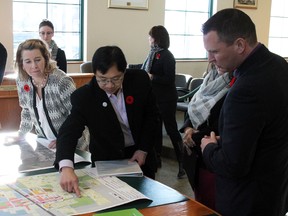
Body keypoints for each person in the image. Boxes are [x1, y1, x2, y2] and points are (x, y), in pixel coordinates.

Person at [200, 8, 288, 215]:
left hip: (247, 201)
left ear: (240, 44)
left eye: (214, 51)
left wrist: (209, 147)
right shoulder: (278, 64)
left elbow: (233, 165)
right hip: (275, 189)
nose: (210, 59)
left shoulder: (246, 89)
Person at [55, 46, 159, 196]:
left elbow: (152, 116)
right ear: (94, 73)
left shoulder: (139, 81)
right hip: (107, 161)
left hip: (141, 156)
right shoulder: (85, 97)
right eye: (102, 80)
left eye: (116, 79)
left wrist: (143, 149)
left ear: (124, 71)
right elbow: (68, 132)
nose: (109, 85)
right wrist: (66, 167)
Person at [14, 39, 87, 150]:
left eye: (37, 60)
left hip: (73, 145)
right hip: (45, 144)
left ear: (46, 59)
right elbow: (26, 110)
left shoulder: (61, 81)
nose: (34, 66)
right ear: (22, 64)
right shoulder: (22, 80)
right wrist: (21, 134)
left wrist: (64, 139)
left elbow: (78, 116)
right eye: (28, 61)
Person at [180, 63, 233, 210]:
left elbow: (223, 123)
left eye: (215, 51)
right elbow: (194, 106)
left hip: (217, 154)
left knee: (213, 206)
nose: (211, 58)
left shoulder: (238, 84)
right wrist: (188, 127)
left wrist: (197, 136)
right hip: (198, 156)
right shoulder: (210, 78)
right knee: (200, 204)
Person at [141, 25, 185, 178]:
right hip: (155, 98)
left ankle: (182, 162)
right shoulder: (152, 54)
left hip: (167, 99)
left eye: (150, 37)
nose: (148, 39)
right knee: (156, 129)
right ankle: (157, 159)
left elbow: (169, 79)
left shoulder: (167, 56)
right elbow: (143, 70)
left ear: (157, 39)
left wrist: (152, 77)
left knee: (171, 129)